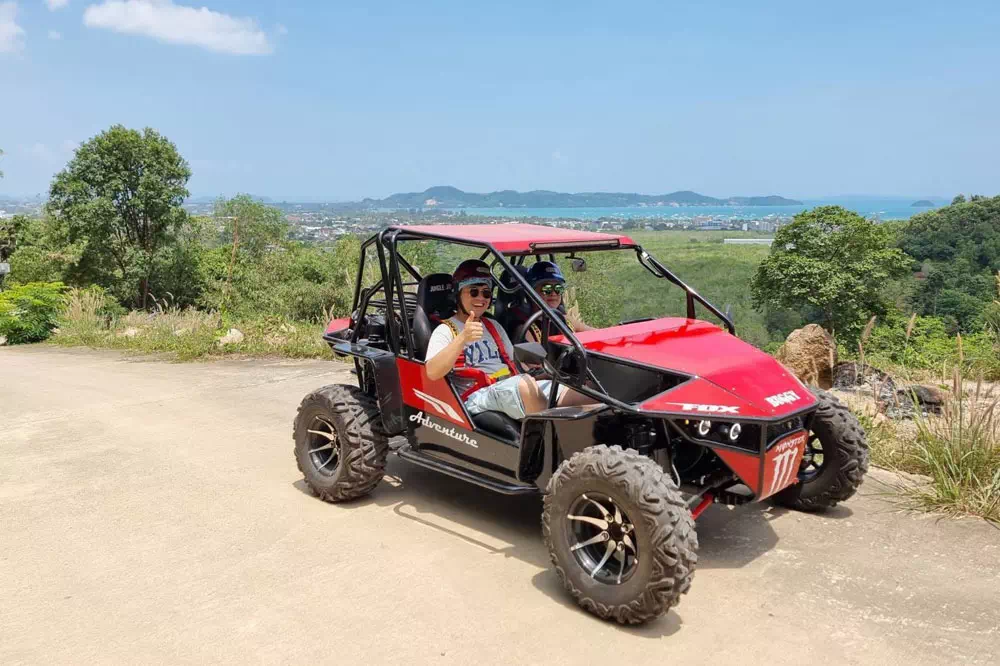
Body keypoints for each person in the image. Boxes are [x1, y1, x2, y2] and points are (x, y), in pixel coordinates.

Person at [425, 259, 590, 420]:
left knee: (583, 393)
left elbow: (515, 362)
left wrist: (543, 374)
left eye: (486, 293)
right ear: (458, 294)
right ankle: (544, 446)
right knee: (526, 387)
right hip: (476, 396)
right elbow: (432, 372)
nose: (481, 298)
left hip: (508, 385)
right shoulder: (445, 330)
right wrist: (462, 338)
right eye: (473, 292)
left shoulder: (493, 325)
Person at [524, 261, 593, 344]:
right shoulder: (527, 330)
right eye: (547, 289)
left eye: (558, 288)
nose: (553, 293)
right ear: (531, 292)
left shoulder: (567, 320)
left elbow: (597, 334)